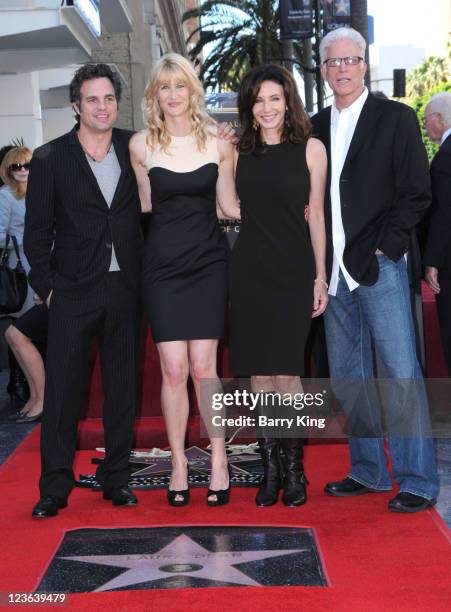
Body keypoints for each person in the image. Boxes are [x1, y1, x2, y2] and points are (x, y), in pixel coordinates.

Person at [312, 27, 439, 512]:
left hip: (380, 267)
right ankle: (367, 470)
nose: (342, 68)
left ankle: (417, 480)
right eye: (332, 62)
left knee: (400, 375)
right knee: (349, 377)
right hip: (335, 272)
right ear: (323, 71)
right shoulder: (316, 126)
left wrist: (388, 248)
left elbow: (416, 191)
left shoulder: (396, 118)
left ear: (365, 64)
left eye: (350, 59)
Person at [24, 63, 143, 518]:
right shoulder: (50, 157)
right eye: (92, 99)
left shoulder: (134, 147)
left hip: (124, 288)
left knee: (122, 390)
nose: (101, 106)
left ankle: (117, 479)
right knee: (62, 396)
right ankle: (54, 488)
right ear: (76, 106)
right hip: (72, 291)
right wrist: (49, 290)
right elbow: (36, 234)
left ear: (117, 102)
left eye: (108, 98)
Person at [129, 54, 240, 507]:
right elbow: (141, 210)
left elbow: (230, 207)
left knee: (204, 369)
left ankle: (218, 461)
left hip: (209, 264)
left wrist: (287, 212)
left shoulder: (219, 142)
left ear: (193, 90)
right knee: (173, 370)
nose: (173, 95)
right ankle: (177, 462)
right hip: (162, 267)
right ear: (154, 94)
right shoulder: (140, 146)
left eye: (180, 86)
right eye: (164, 87)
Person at [229, 64, 328, 507]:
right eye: (258, 100)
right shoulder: (236, 153)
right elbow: (228, 208)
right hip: (249, 273)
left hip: (293, 273)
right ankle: (269, 469)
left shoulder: (311, 150)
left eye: (274, 98)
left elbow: (318, 217)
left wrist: (320, 274)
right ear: (249, 108)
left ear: (288, 101)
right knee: (260, 378)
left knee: (288, 376)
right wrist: (218, 156)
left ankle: (295, 472)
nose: (267, 108)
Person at [423, 92, 451, 376]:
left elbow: (444, 214)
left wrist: (432, 260)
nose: (425, 125)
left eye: (426, 119)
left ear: (440, 120)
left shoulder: (444, 158)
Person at [5, 300, 48, 423]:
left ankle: (43, 399)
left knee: (16, 335)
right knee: (10, 334)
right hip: (52, 296)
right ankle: (34, 397)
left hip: (67, 297)